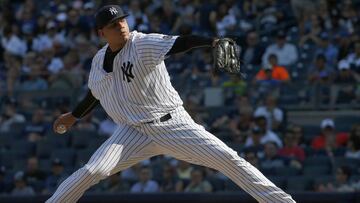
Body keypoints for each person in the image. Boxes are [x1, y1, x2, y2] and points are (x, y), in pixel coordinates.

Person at [47, 5, 295, 203]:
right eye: (113, 24)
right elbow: (95, 94)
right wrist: (75, 116)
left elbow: (181, 43)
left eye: (122, 20)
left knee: (228, 159)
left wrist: (212, 42)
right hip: (131, 132)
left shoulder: (141, 43)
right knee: (93, 171)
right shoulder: (99, 59)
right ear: (102, 32)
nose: (121, 25)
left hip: (171, 124)